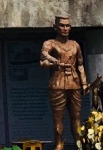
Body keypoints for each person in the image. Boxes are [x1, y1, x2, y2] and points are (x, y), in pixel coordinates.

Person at [40, 15, 87, 150]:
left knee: (76, 116)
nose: (65, 28)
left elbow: (80, 65)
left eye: (68, 25)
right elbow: (44, 55)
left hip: (74, 82)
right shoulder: (50, 43)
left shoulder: (75, 44)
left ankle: (79, 144)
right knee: (58, 116)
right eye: (62, 25)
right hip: (58, 82)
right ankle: (59, 144)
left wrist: (84, 83)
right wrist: (52, 61)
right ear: (56, 27)